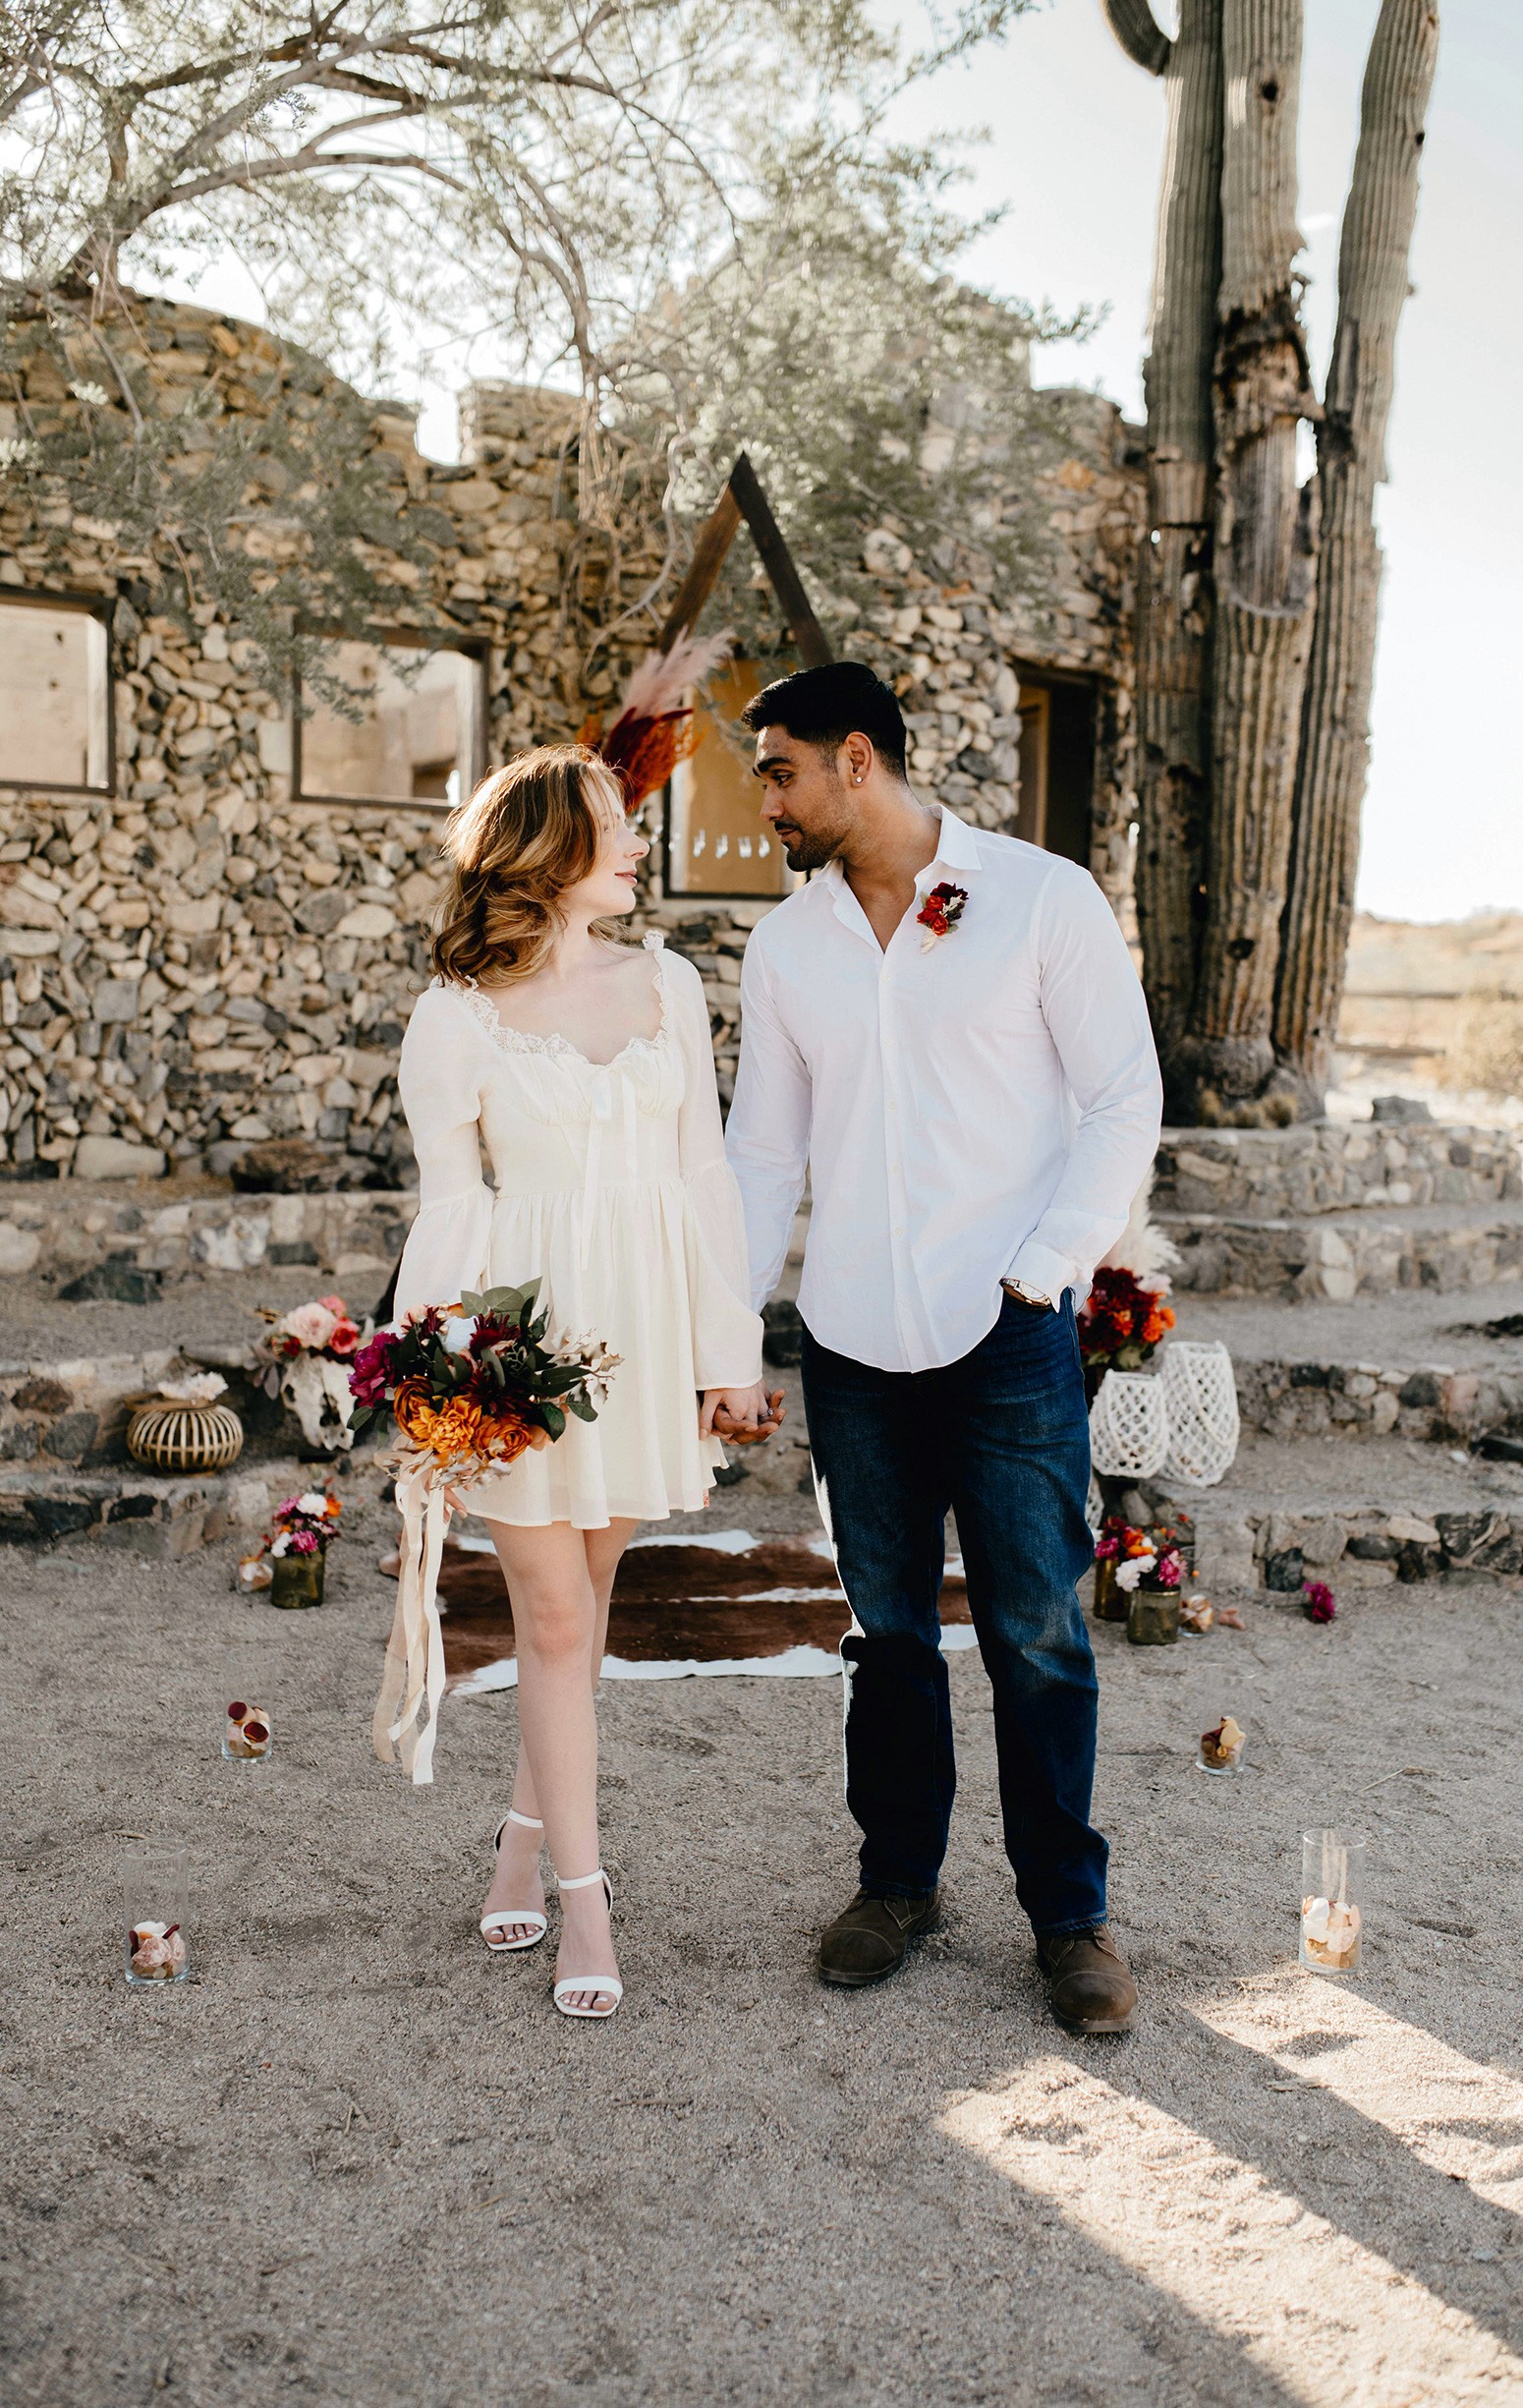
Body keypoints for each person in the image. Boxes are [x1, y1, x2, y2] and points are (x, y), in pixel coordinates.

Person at [724, 662, 1161, 2034]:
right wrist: (729, 1332)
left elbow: (1119, 1098)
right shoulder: (784, 948)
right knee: (885, 1632)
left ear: (858, 760)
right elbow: (761, 1153)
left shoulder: (1039, 897)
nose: (766, 806)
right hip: (850, 1339)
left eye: (780, 773)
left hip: (1009, 1332)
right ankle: (895, 1881)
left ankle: (1068, 1919)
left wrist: (1042, 1268)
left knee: (1037, 1631)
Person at [391, 747, 779, 2019]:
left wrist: (730, 1352)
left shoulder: (669, 983)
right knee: (555, 1623)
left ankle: (518, 1835)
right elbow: (453, 1205)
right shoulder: (456, 1012)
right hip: (523, 1350)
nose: (636, 843)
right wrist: (430, 1371)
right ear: (546, 851)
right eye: (613, 825)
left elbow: (706, 1177)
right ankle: (585, 1900)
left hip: (647, 1335)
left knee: (587, 1605)